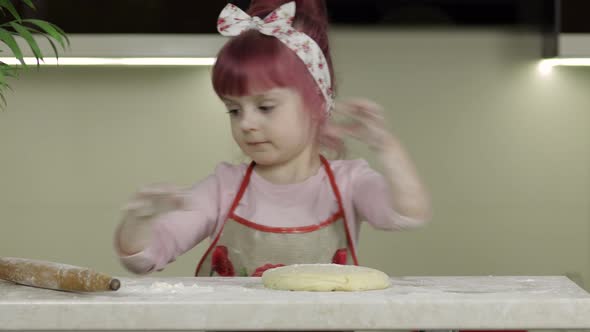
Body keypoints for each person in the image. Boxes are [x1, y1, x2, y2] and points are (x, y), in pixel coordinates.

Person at [114, 0, 431, 277]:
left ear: (317, 105)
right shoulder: (223, 187)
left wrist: (387, 148)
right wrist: (138, 224)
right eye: (234, 110)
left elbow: (407, 215)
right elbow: (143, 259)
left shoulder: (349, 182)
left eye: (265, 107)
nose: (247, 123)